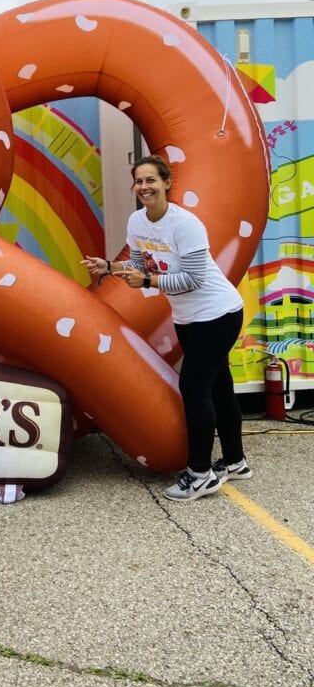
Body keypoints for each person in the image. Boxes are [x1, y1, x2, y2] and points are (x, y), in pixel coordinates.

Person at [82, 154, 250, 503]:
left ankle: (200, 473)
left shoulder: (184, 224)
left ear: (167, 183)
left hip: (217, 313)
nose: (144, 187)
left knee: (194, 386)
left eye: (151, 181)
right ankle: (235, 461)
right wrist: (111, 266)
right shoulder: (137, 222)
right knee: (218, 385)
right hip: (187, 317)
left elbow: (192, 278)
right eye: (139, 181)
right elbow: (144, 263)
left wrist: (146, 279)